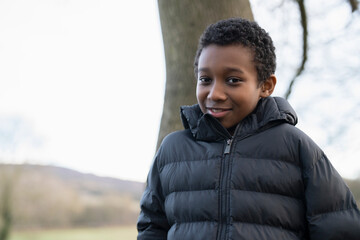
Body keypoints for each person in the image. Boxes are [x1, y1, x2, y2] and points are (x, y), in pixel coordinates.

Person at [137, 18, 360, 240]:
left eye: (233, 80)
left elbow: (340, 230)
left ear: (266, 86)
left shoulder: (296, 148)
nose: (214, 94)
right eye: (205, 79)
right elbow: (152, 228)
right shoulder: (172, 150)